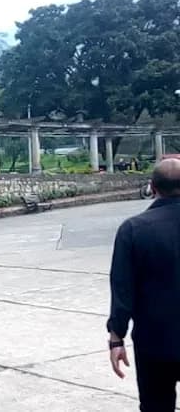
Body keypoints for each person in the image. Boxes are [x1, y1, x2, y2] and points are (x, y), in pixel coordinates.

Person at [108, 158, 180, 411]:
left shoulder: (133, 229)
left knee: (155, 405)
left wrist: (116, 339)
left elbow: (122, 290)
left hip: (154, 341)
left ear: (152, 187)